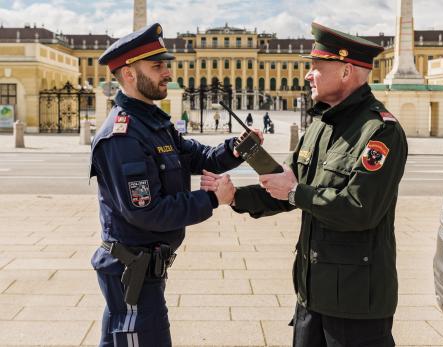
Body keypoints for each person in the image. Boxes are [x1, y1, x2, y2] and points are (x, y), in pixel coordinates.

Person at [202, 22, 407, 347]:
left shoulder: (379, 132)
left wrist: (295, 191)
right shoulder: (320, 127)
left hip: (356, 304)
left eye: (316, 68)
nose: (308, 75)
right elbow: (287, 191)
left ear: (345, 72)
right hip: (311, 294)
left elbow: (359, 210)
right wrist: (236, 198)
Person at [90, 23, 259, 347]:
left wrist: (237, 148)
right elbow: (148, 212)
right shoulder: (123, 136)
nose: (167, 72)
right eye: (157, 66)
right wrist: (211, 199)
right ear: (128, 75)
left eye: (165, 64)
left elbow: (197, 157)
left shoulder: (152, 124)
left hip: (144, 270)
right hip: (133, 274)